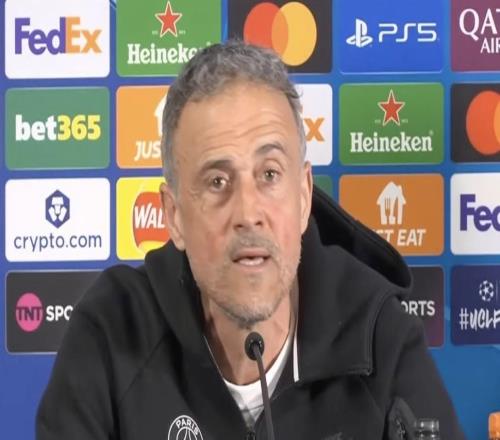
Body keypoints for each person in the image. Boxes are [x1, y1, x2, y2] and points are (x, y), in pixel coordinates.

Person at [36, 40, 465, 440]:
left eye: (269, 174)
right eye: (217, 181)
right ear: (174, 216)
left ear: (303, 196)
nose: (247, 213)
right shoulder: (112, 331)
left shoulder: (380, 337)